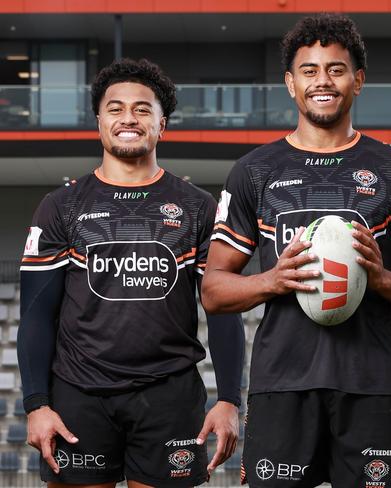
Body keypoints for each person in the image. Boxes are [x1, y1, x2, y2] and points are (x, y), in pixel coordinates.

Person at [201, 14, 391, 488]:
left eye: (336, 69)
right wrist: (271, 280)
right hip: (281, 385)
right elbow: (213, 290)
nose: (323, 81)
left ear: (357, 80)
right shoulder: (254, 171)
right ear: (290, 84)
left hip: (370, 385)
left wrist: (381, 279)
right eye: (310, 71)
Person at [18, 58, 245, 487]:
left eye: (143, 109)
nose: (128, 118)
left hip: (170, 395)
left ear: (163, 125)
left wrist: (231, 399)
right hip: (79, 395)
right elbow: (35, 314)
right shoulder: (60, 207)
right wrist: (36, 403)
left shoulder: (198, 207)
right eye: (116, 108)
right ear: (99, 121)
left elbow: (222, 308)